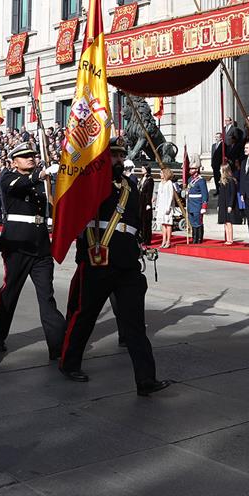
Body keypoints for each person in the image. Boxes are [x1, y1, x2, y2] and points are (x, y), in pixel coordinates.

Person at [60, 139, 170, 396]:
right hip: (98, 258)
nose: (119, 160)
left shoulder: (130, 186)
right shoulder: (91, 182)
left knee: (134, 323)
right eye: (113, 155)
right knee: (85, 315)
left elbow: (135, 221)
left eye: (121, 155)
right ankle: (69, 362)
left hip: (127, 261)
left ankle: (145, 379)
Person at [0, 144, 65, 358]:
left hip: (40, 245)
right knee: (10, 292)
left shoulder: (42, 183)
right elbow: (18, 186)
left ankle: (57, 346)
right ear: (14, 162)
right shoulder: (8, 178)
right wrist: (40, 175)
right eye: (24, 157)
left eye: (32, 156)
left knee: (47, 296)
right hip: (17, 244)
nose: (30, 159)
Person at [216, 162, 242, 245]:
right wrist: (219, 205)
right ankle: (227, 239)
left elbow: (233, 193)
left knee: (229, 222)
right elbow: (221, 195)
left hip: (229, 204)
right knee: (225, 222)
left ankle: (230, 239)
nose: (219, 170)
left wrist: (230, 205)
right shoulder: (222, 181)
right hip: (223, 204)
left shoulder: (231, 180)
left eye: (221, 169)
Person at [154, 167, 178, 249]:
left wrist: (168, 207)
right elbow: (159, 196)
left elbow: (171, 195)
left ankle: (168, 241)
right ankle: (163, 240)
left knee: (168, 224)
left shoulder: (169, 183)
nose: (160, 174)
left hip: (167, 206)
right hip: (161, 205)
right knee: (163, 224)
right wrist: (157, 206)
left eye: (161, 173)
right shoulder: (161, 183)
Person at [186, 166, 208, 244]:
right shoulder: (190, 179)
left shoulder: (201, 180)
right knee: (192, 222)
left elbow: (205, 194)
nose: (190, 170)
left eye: (192, 168)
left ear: (196, 169)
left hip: (198, 204)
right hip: (191, 203)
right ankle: (194, 238)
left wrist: (204, 206)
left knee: (198, 222)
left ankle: (199, 239)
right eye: (190, 168)